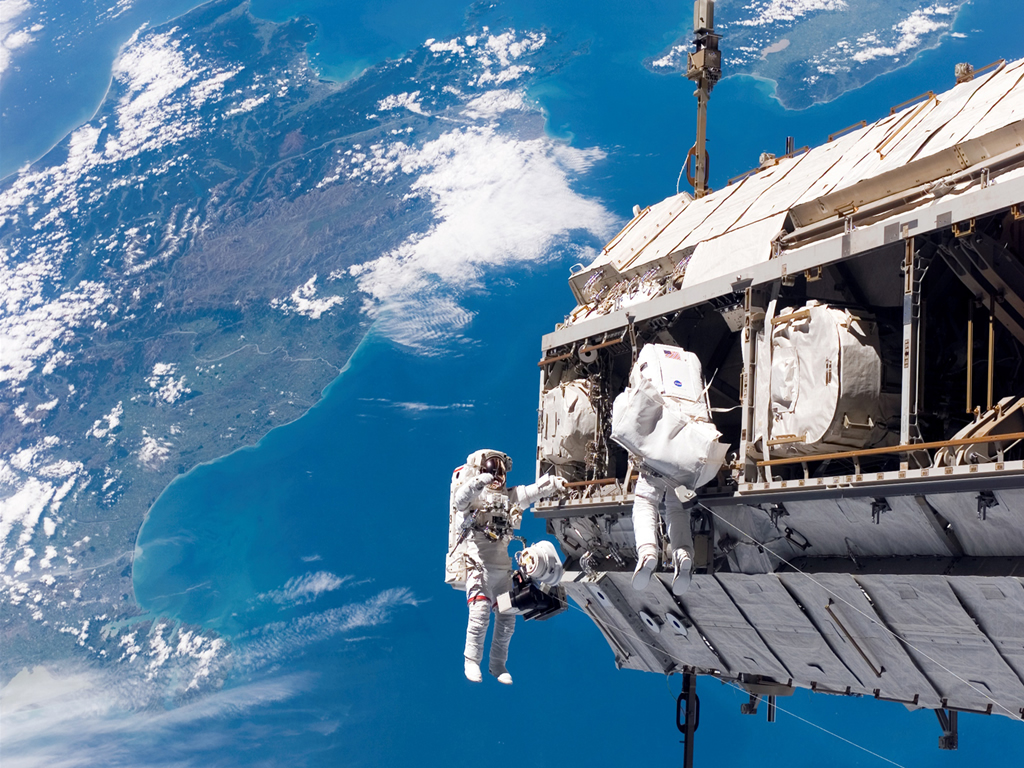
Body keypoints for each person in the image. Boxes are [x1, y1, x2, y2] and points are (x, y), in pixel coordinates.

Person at [449, 449, 566, 684]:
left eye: (501, 473)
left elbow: (532, 492)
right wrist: (478, 482)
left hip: (502, 573)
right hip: (479, 569)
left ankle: (497, 664)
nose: (498, 477)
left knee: (506, 620)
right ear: (482, 471)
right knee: (480, 615)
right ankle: (471, 661)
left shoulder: (508, 499)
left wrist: (553, 483)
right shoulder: (473, 498)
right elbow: (460, 500)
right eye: (493, 471)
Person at [631, 473, 694, 596]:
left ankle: (647, 553)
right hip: (693, 464)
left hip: (660, 459)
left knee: (645, 501)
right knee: (678, 508)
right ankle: (682, 554)